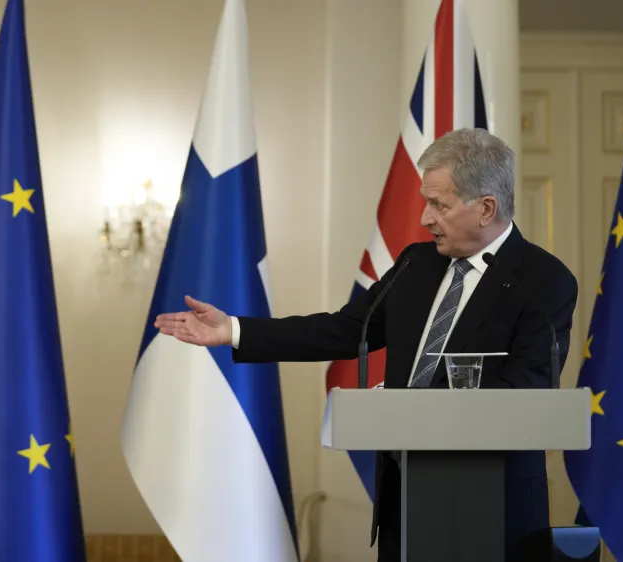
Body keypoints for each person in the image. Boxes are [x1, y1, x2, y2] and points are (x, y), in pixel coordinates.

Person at [153, 127, 578, 562]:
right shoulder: (417, 262)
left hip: (494, 509)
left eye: (438, 204)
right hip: (405, 499)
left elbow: (524, 392)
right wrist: (235, 331)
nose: (424, 219)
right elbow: (345, 329)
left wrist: (408, 408)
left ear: (486, 208)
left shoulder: (544, 283)